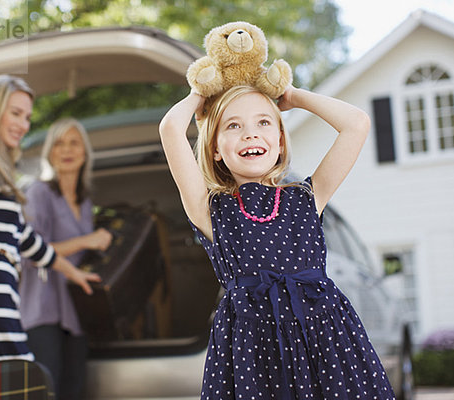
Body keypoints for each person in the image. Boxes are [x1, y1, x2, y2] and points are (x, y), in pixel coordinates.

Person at [158, 85, 395, 399]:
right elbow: (171, 128)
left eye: (263, 123)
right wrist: (201, 94)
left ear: (281, 142)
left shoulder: (307, 197)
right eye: (233, 125)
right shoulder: (210, 210)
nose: (250, 134)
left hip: (324, 343)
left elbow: (356, 123)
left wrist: (294, 96)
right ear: (215, 148)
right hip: (253, 352)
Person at [0, 75, 101, 363]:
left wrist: (73, 272)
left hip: (0, 302)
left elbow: (26, 240)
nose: (23, 125)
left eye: (26, 117)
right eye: (15, 113)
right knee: (29, 381)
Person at [19, 118, 112, 399]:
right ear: (49, 152)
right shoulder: (39, 192)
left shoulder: (85, 203)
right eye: (59, 143)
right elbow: (32, 250)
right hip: (42, 310)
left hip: (76, 310)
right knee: (47, 391)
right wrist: (87, 240)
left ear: (84, 152)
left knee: (73, 389)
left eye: (74, 143)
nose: (66, 150)